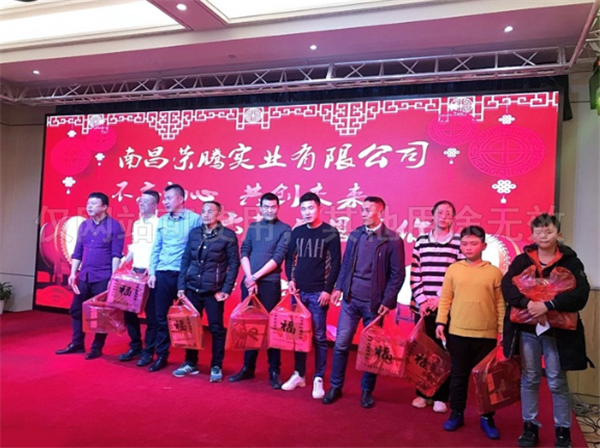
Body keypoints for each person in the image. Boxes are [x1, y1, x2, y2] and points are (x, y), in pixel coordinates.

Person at [502, 214, 591, 448]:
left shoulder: (571, 262)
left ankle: (563, 431)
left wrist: (549, 305)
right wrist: (529, 304)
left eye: (548, 231)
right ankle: (529, 427)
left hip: (558, 333)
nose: (543, 235)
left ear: (558, 234)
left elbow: (580, 294)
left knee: (556, 381)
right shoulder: (522, 260)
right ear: (532, 235)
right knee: (530, 378)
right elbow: (507, 287)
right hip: (527, 329)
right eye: (538, 231)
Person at [322, 196, 405, 408]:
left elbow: (397, 275)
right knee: (341, 345)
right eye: (362, 210)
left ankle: (367, 390)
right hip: (350, 301)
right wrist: (338, 288)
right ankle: (335, 387)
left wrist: (387, 300)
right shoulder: (355, 235)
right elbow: (346, 264)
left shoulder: (392, 239)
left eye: (368, 210)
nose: (364, 213)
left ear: (381, 212)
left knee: (371, 349)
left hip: (374, 305)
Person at [435, 225, 505, 440]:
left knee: (485, 380)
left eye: (473, 243)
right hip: (458, 332)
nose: (468, 247)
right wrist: (440, 322)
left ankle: (487, 417)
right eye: (464, 243)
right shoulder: (453, 269)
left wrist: (502, 330)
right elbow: (445, 299)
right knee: (458, 376)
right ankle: (457, 413)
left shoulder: (494, 272)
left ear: (483, 245)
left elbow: (500, 304)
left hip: (486, 335)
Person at [228, 192, 291, 389]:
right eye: (266, 207)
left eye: (273, 207)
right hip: (249, 283)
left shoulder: (285, 229)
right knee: (249, 326)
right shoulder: (254, 227)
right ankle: (248, 367)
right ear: (260, 208)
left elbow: (278, 257)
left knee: (272, 327)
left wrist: (255, 277)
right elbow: (244, 251)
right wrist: (249, 278)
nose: (269, 210)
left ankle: (274, 370)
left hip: (269, 283)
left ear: (278, 207)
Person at [282, 192, 341, 399]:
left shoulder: (330, 232)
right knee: (298, 336)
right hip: (298, 293)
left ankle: (318, 377)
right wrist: (290, 279)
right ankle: (299, 374)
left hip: (318, 293)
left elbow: (336, 263)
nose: (307, 212)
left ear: (319, 208)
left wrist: (328, 289)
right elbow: (289, 259)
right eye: (303, 209)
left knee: (319, 337)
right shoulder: (297, 232)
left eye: (311, 208)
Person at [174, 201, 240, 383]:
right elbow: (186, 259)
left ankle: (216, 365)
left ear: (219, 215)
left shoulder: (228, 236)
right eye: (203, 211)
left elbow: (234, 264)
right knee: (191, 327)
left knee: (216, 329)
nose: (205, 214)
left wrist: (226, 289)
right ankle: (190, 362)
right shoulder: (195, 233)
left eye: (210, 211)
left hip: (214, 290)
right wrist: (181, 286)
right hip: (192, 287)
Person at [56, 192, 125, 359]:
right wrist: (73, 273)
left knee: (101, 313)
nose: (90, 207)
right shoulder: (84, 225)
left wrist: (113, 278)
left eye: (94, 204)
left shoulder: (115, 226)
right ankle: (77, 343)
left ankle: (96, 347)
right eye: (88, 204)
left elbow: (116, 254)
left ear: (104, 207)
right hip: (85, 275)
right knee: (76, 309)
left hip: (103, 276)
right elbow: (78, 251)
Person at [409, 200, 461, 414]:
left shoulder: (459, 242)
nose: (444, 216)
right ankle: (423, 393)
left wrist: (440, 299)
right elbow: (415, 273)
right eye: (440, 212)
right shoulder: (421, 241)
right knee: (423, 351)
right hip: (423, 308)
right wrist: (422, 300)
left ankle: (441, 395)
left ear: (453, 218)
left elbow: (459, 274)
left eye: (448, 213)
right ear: (432, 215)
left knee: (444, 351)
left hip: (447, 306)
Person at [147, 184, 201, 372]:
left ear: (180, 199)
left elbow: (197, 249)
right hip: (162, 273)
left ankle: (190, 360)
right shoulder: (163, 220)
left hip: (183, 276)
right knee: (161, 318)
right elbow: (157, 247)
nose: (165, 202)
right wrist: (152, 272)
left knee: (187, 319)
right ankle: (162, 355)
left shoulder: (195, 219)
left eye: (169, 198)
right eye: (164, 198)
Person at [117, 190, 160, 367]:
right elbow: (135, 247)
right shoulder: (136, 223)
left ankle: (149, 351)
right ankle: (135, 345)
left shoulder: (160, 224)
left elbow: (159, 249)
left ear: (155, 205)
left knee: (152, 315)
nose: (141, 204)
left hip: (151, 274)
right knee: (128, 311)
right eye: (140, 200)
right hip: (135, 272)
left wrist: (152, 270)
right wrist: (123, 262)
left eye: (146, 201)